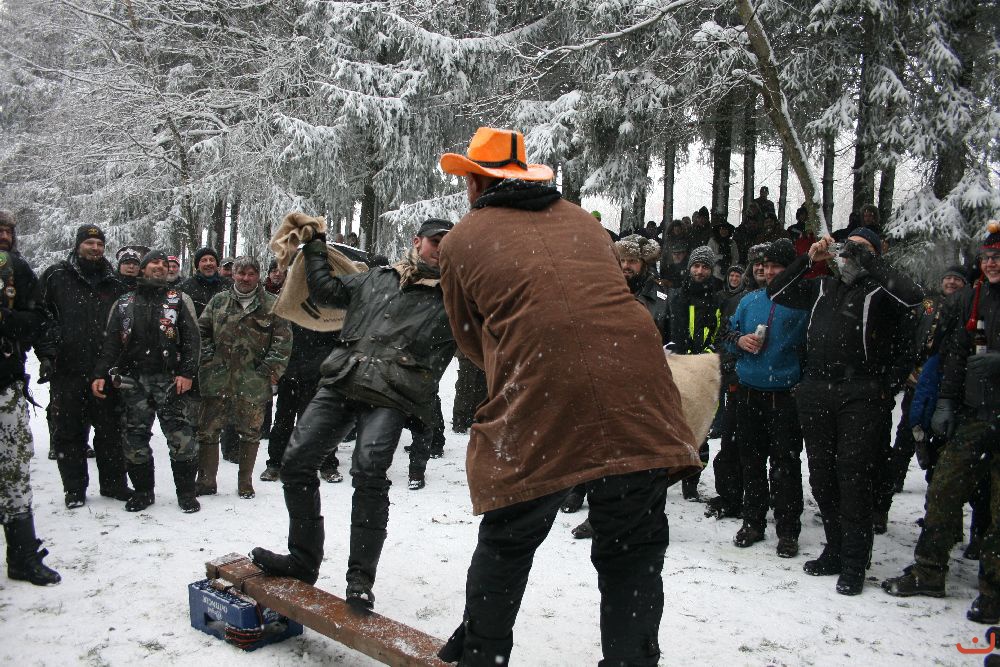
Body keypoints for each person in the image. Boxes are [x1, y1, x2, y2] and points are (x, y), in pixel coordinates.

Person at [434, 127, 700, 666]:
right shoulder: (583, 220)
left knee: (509, 533)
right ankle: (632, 660)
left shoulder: (462, 238)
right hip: (639, 384)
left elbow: (468, 335)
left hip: (545, 390)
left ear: (476, 182)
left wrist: (525, 363)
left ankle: (483, 652)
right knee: (632, 546)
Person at [251, 218, 457, 611]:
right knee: (295, 463)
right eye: (436, 241)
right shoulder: (377, 278)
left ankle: (360, 579)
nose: (442, 249)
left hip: (392, 394)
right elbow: (325, 292)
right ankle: (302, 561)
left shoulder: (455, 297)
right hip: (343, 380)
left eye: (450, 243)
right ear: (417, 241)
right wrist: (315, 247)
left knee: (369, 473)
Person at [768, 227, 924, 595]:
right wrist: (808, 260)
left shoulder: (882, 290)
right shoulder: (823, 286)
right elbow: (776, 292)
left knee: (853, 475)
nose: (851, 254)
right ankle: (835, 549)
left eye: (862, 249)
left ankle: (855, 560)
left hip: (862, 393)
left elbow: (914, 299)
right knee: (822, 475)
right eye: (849, 247)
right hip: (817, 390)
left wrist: (887, 386)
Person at [882, 229, 1000, 622]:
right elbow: (952, 356)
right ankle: (930, 570)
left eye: (998, 257)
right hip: (972, 414)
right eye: (987, 257)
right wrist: (946, 401)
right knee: (943, 491)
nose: (992, 263)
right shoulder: (971, 299)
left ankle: (993, 590)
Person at [91, 250, 202, 513]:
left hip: (171, 379)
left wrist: (187, 373)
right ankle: (143, 492)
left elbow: (192, 339)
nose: (160, 267)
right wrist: (99, 373)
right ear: (143, 268)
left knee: (181, 436)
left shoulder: (178, 299)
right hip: (133, 381)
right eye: (154, 262)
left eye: (164, 264)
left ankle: (187, 493)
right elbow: (111, 343)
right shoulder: (124, 302)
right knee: (134, 437)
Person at [38, 224, 132, 508]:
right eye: (89, 243)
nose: (95, 248)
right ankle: (74, 489)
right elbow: (40, 315)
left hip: (105, 369)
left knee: (110, 430)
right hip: (67, 368)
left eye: (99, 244)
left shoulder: (114, 282)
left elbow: (126, 324)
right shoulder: (57, 276)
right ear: (78, 245)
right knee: (69, 432)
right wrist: (48, 352)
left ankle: (114, 484)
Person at [726, 240, 808, 556]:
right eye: (767, 265)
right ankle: (753, 522)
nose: (770, 271)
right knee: (751, 462)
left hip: (785, 397)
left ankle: (787, 530)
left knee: (785, 464)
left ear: (790, 269)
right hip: (748, 393)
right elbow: (726, 335)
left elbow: (811, 347)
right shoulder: (749, 301)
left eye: (778, 266)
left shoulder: (802, 304)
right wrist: (739, 340)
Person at [195, 256, 291, 499]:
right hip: (217, 378)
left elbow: (282, 342)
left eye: (250, 274)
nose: (245, 278)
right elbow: (201, 331)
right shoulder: (219, 301)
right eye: (241, 273)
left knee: (251, 432)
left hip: (253, 381)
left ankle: (245, 482)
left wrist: (268, 371)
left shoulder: (272, 305)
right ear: (233, 275)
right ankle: (206, 480)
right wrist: (208, 358)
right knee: (208, 430)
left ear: (258, 276)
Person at [0, 210, 61, 586]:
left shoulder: (18, 270)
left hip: (5, 387)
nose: (4, 236)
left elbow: (38, 319)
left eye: (8, 231)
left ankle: (22, 555)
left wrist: (7, 322)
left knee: (13, 471)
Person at [667, 244, 723, 501]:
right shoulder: (677, 297)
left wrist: (710, 351)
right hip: (676, 368)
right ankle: (666, 473)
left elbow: (723, 331)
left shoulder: (718, 298)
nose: (699, 271)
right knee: (671, 424)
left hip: (703, 369)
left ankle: (691, 481)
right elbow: (666, 328)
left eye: (705, 267)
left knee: (700, 428)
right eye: (696, 266)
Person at [261, 322, 343, 484]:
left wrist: (322, 366)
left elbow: (335, 341)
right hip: (290, 371)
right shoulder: (290, 311)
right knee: (283, 421)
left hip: (318, 374)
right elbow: (278, 338)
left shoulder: (327, 312)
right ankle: (275, 463)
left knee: (322, 422)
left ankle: (327, 465)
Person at [178, 246, 232, 315]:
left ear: (217, 264)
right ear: (198, 266)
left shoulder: (229, 285)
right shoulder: (185, 287)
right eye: (204, 260)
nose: (208, 263)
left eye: (211, 260)